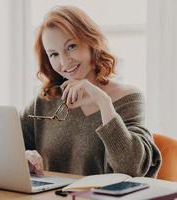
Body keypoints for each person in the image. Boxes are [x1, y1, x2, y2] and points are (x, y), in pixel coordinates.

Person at [21, 5, 161, 178]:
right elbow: (6, 149)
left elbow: (130, 168)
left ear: (91, 41)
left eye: (71, 46)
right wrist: (24, 156)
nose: (64, 62)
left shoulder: (129, 99)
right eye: (53, 54)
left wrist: (103, 102)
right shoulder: (45, 101)